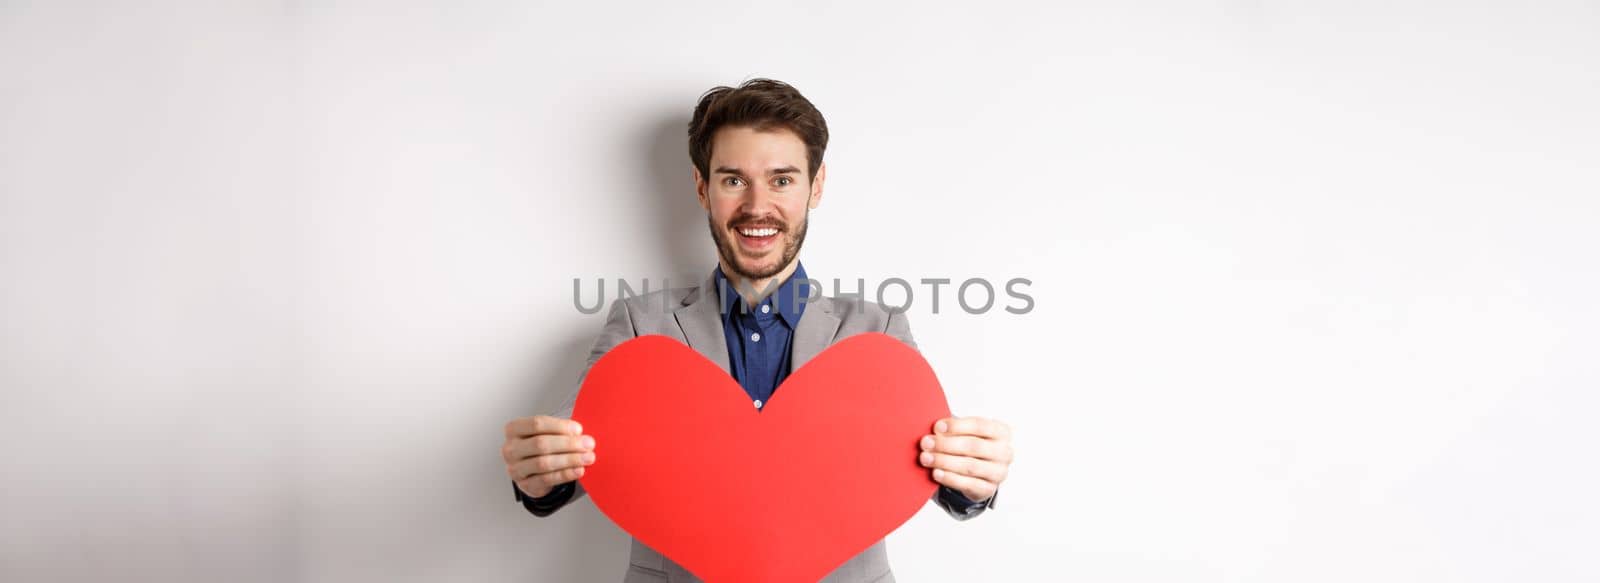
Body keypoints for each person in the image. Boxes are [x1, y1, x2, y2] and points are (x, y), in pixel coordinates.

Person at [500, 78, 1016, 582]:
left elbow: (930, 469)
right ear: (703, 189)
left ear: (815, 187)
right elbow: (573, 455)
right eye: (733, 180)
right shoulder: (641, 326)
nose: (756, 206)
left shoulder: (877, 333)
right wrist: (540, 474)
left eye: (782, 179)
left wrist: (972, 479)